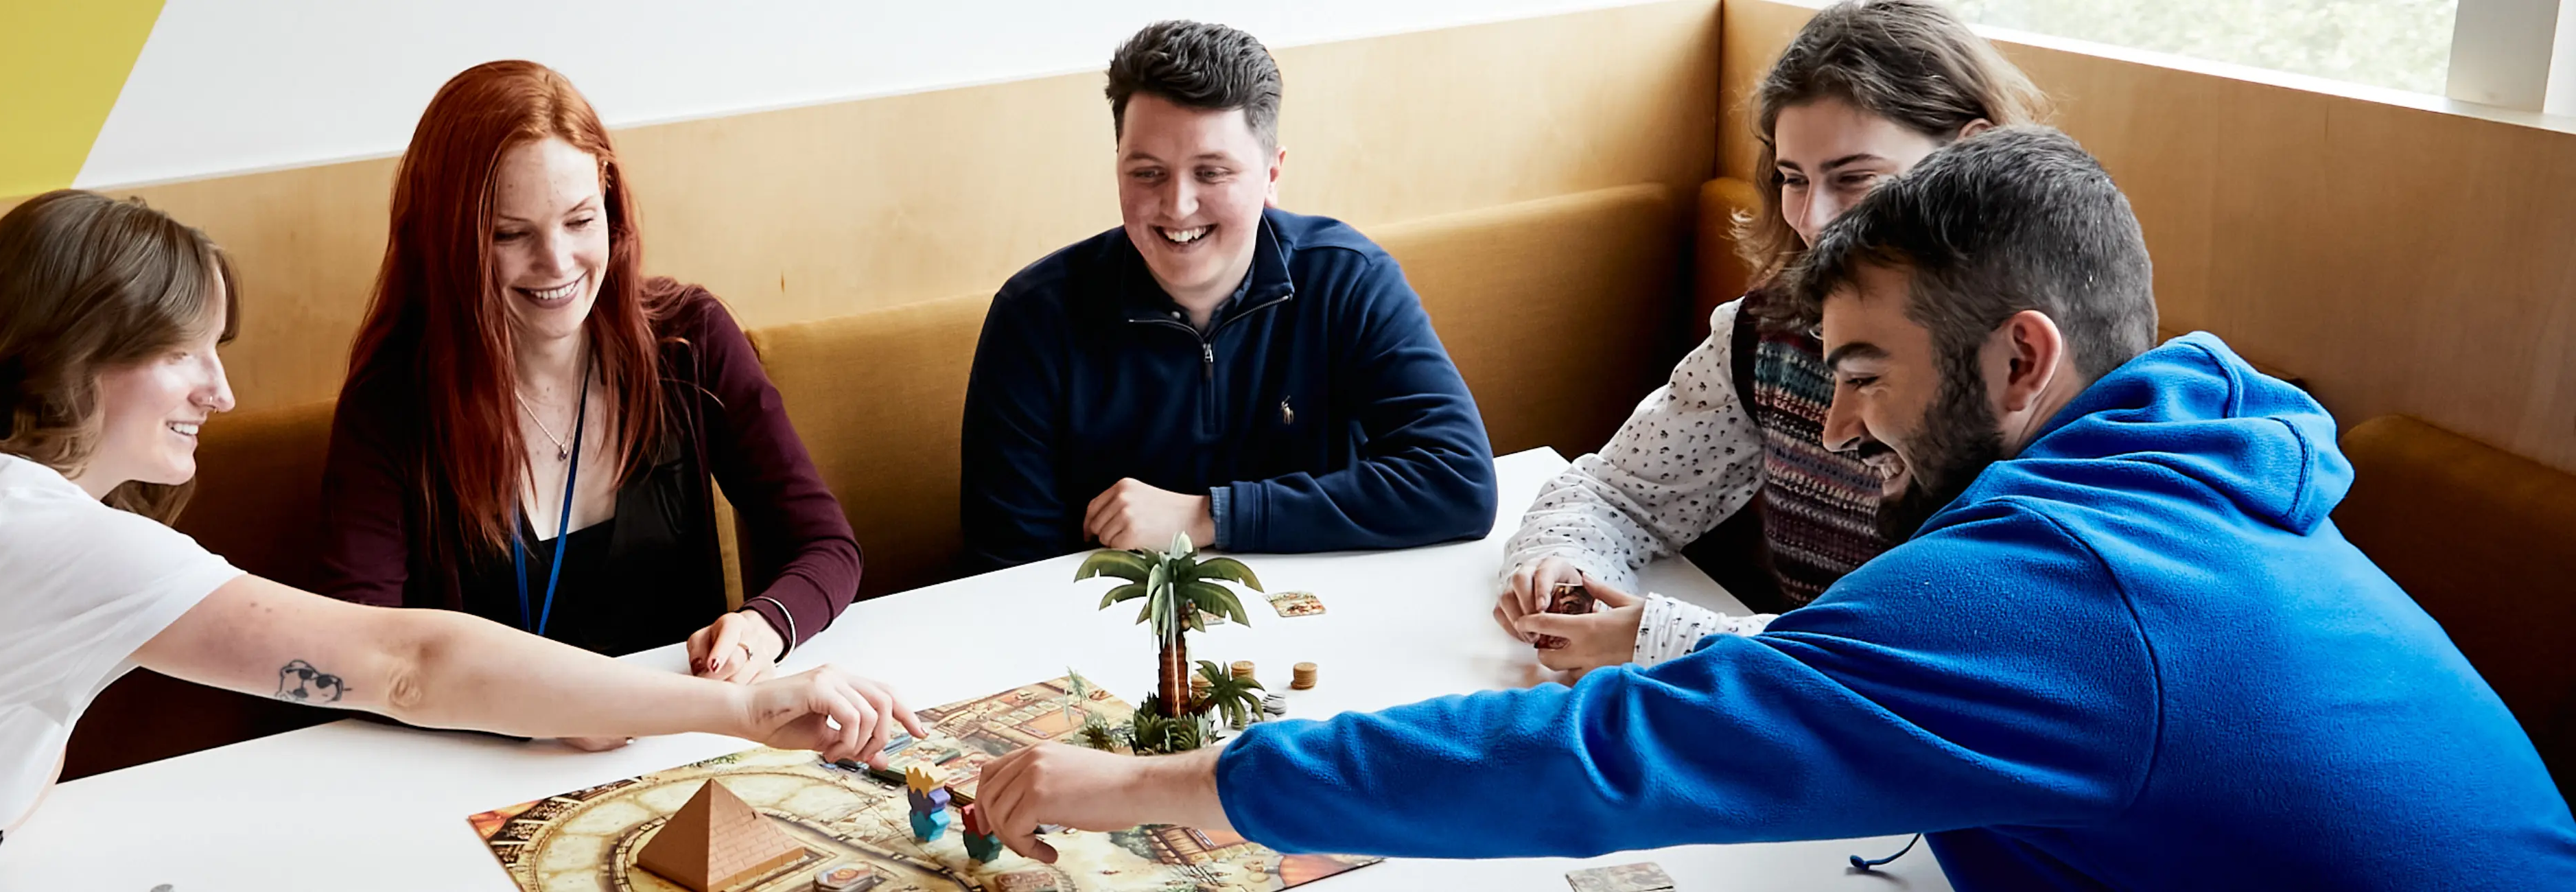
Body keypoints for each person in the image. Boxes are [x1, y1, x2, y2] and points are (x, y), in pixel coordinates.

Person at [970, 129, 2576, 888]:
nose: (1842, 415)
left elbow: (1599, 755)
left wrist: (1153, 787)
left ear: (2022, 357)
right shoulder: (2201, 481)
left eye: (1869, 367)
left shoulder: (2055, 586)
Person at [0, 191, 923, 891]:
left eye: (218, 350)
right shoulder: (43, 535)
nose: (221, 392)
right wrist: (744, 712)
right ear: (68, 355)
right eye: (175, 352)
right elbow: (406, 663)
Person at [1497, 0, 2048, 672]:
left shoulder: (2025, 372)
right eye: (1792, 179)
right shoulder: (1765, 332)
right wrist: (1565, 566)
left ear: (1968, 156)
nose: (1813, 219)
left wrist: (1666, 636)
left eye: (1854, 178)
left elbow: (1944, 657)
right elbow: (1619, 492)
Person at [316, 61, 862, 731]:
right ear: (446, 242)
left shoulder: (689, 339)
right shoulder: (391, 404)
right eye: (509, 234)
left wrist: (762, 627)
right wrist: (550, 715)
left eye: (580, 220)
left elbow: (827, 546)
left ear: (610, 204)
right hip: (480, 763)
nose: (558, 262)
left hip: (690, 739)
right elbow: (360, 658)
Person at [959, 21, 1495, 571]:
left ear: (1271, 174)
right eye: (1147, 173)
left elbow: (1458, 481)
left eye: (1211, 173)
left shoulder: (1347, 279)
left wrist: (1210, 517)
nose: (1177, 206)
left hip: (1325, 613)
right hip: (1116, 632)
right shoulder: (1034, 317)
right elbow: (1004, 564)